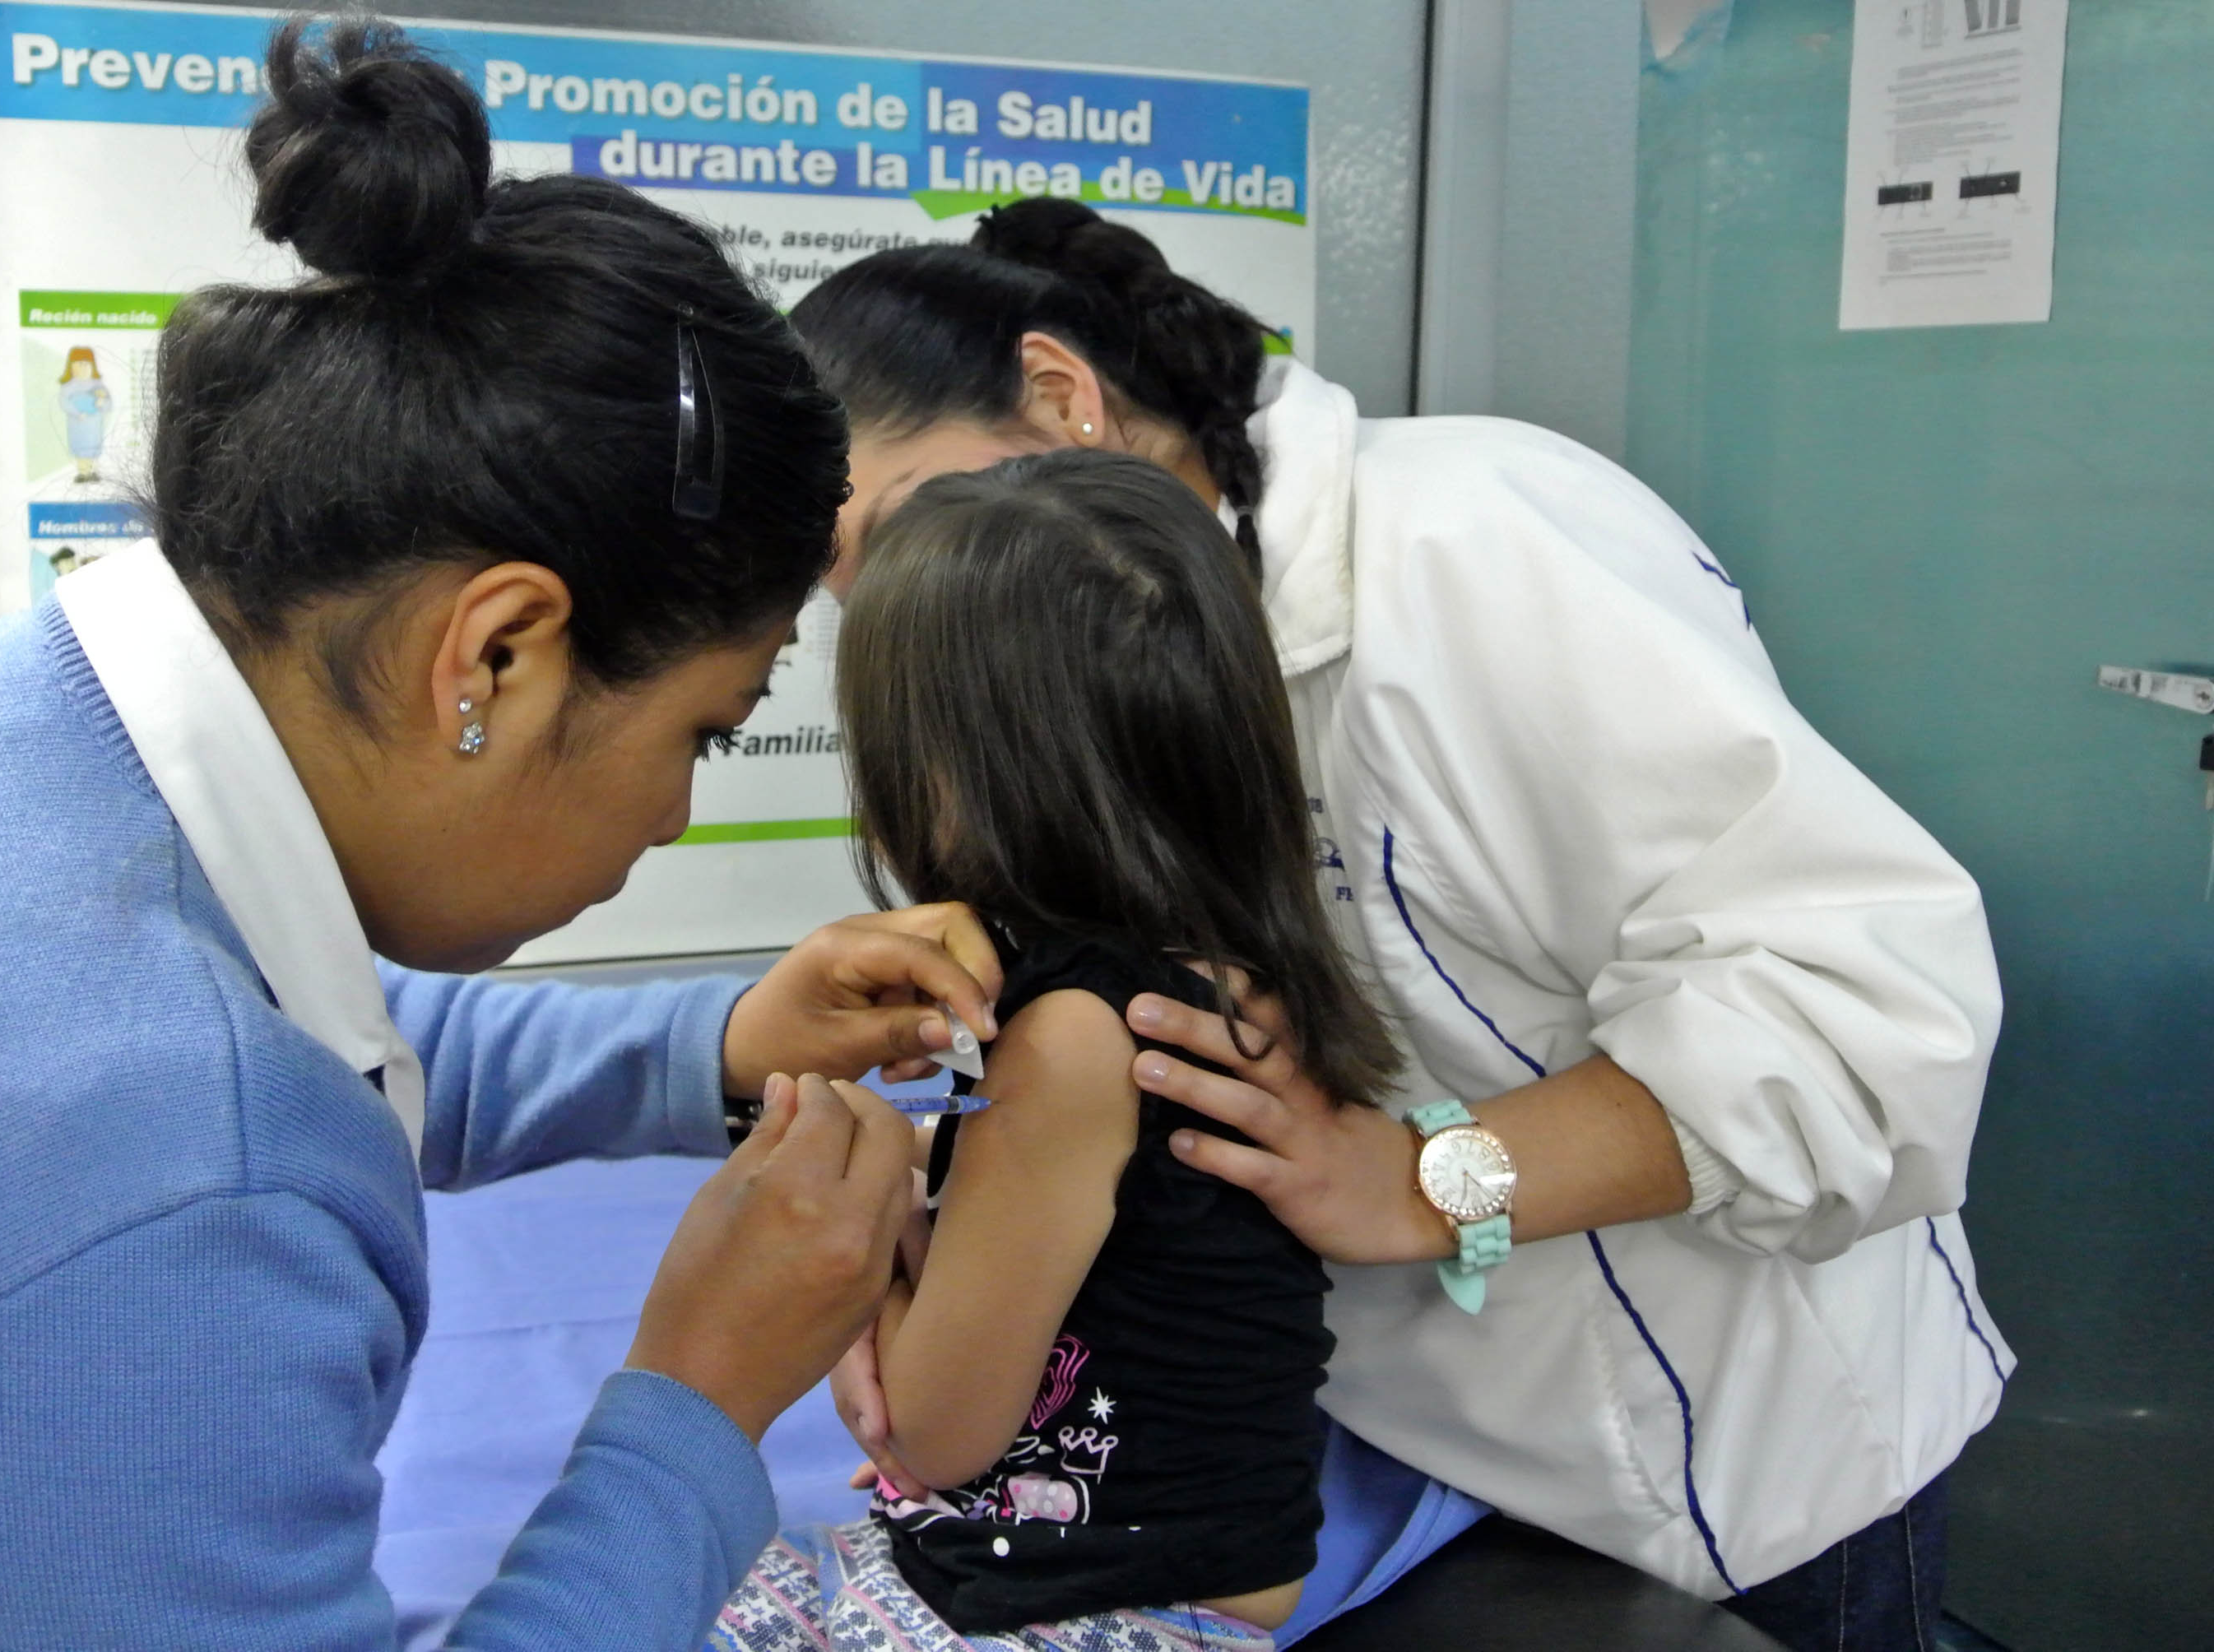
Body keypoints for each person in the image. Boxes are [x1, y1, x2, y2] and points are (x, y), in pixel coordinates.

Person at [0, 21, 998, 1652]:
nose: (679, 811)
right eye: (709, 729)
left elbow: (319, 1038)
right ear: (491, 655)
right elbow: (201, 1116)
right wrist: (699, 1394)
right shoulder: (158, 1187)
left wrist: (718, 1043)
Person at [791, 199, 2008, 1652]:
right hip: (1398, 1477)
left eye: (893, 528)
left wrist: (1432, 1179)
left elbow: (1863, 1020)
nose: (887, 609)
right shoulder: (1122, 649)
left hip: (1704, 1479)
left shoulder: (1471, 546)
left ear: (1063, 399)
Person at [714, 451, 1404, 1652]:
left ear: (948, 766)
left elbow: (928, 1435)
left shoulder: (1074, 1039)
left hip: (1097, 1619)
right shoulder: (1208, 975)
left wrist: (867, 1220)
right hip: (1038, 1576)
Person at [56, 345, 114, 482]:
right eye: (78, 364)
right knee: (81, 450)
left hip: (94, 427)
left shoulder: (98, 385)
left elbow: (108, 403)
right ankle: (83, 473)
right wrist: (77, 413)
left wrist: (102, 403)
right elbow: (64, 402)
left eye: (86, 364)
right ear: (71, 367)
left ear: (92, 366)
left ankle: (93, 472)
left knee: (93, 449)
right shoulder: (68, 387)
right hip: (77, 426)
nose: (82, 368)